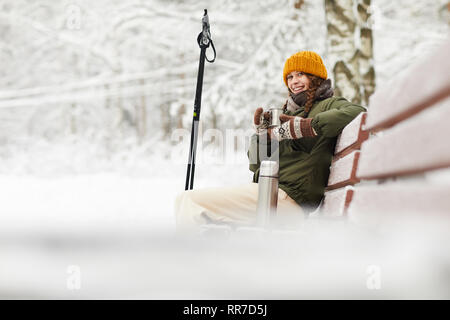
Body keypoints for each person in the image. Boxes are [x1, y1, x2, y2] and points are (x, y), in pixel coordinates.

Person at [175, 50, 366, 233]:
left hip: (287, 200)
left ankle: (188, 262)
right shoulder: (287, 113)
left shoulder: (328, 104)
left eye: (300, 74)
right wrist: (263, 136)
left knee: (189, 201)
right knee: (193, 208)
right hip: (271, 192)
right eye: (289, 77)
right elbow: (256, 165)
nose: (294, 81)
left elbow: (359, 112)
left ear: (315, 76)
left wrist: (308, 126)